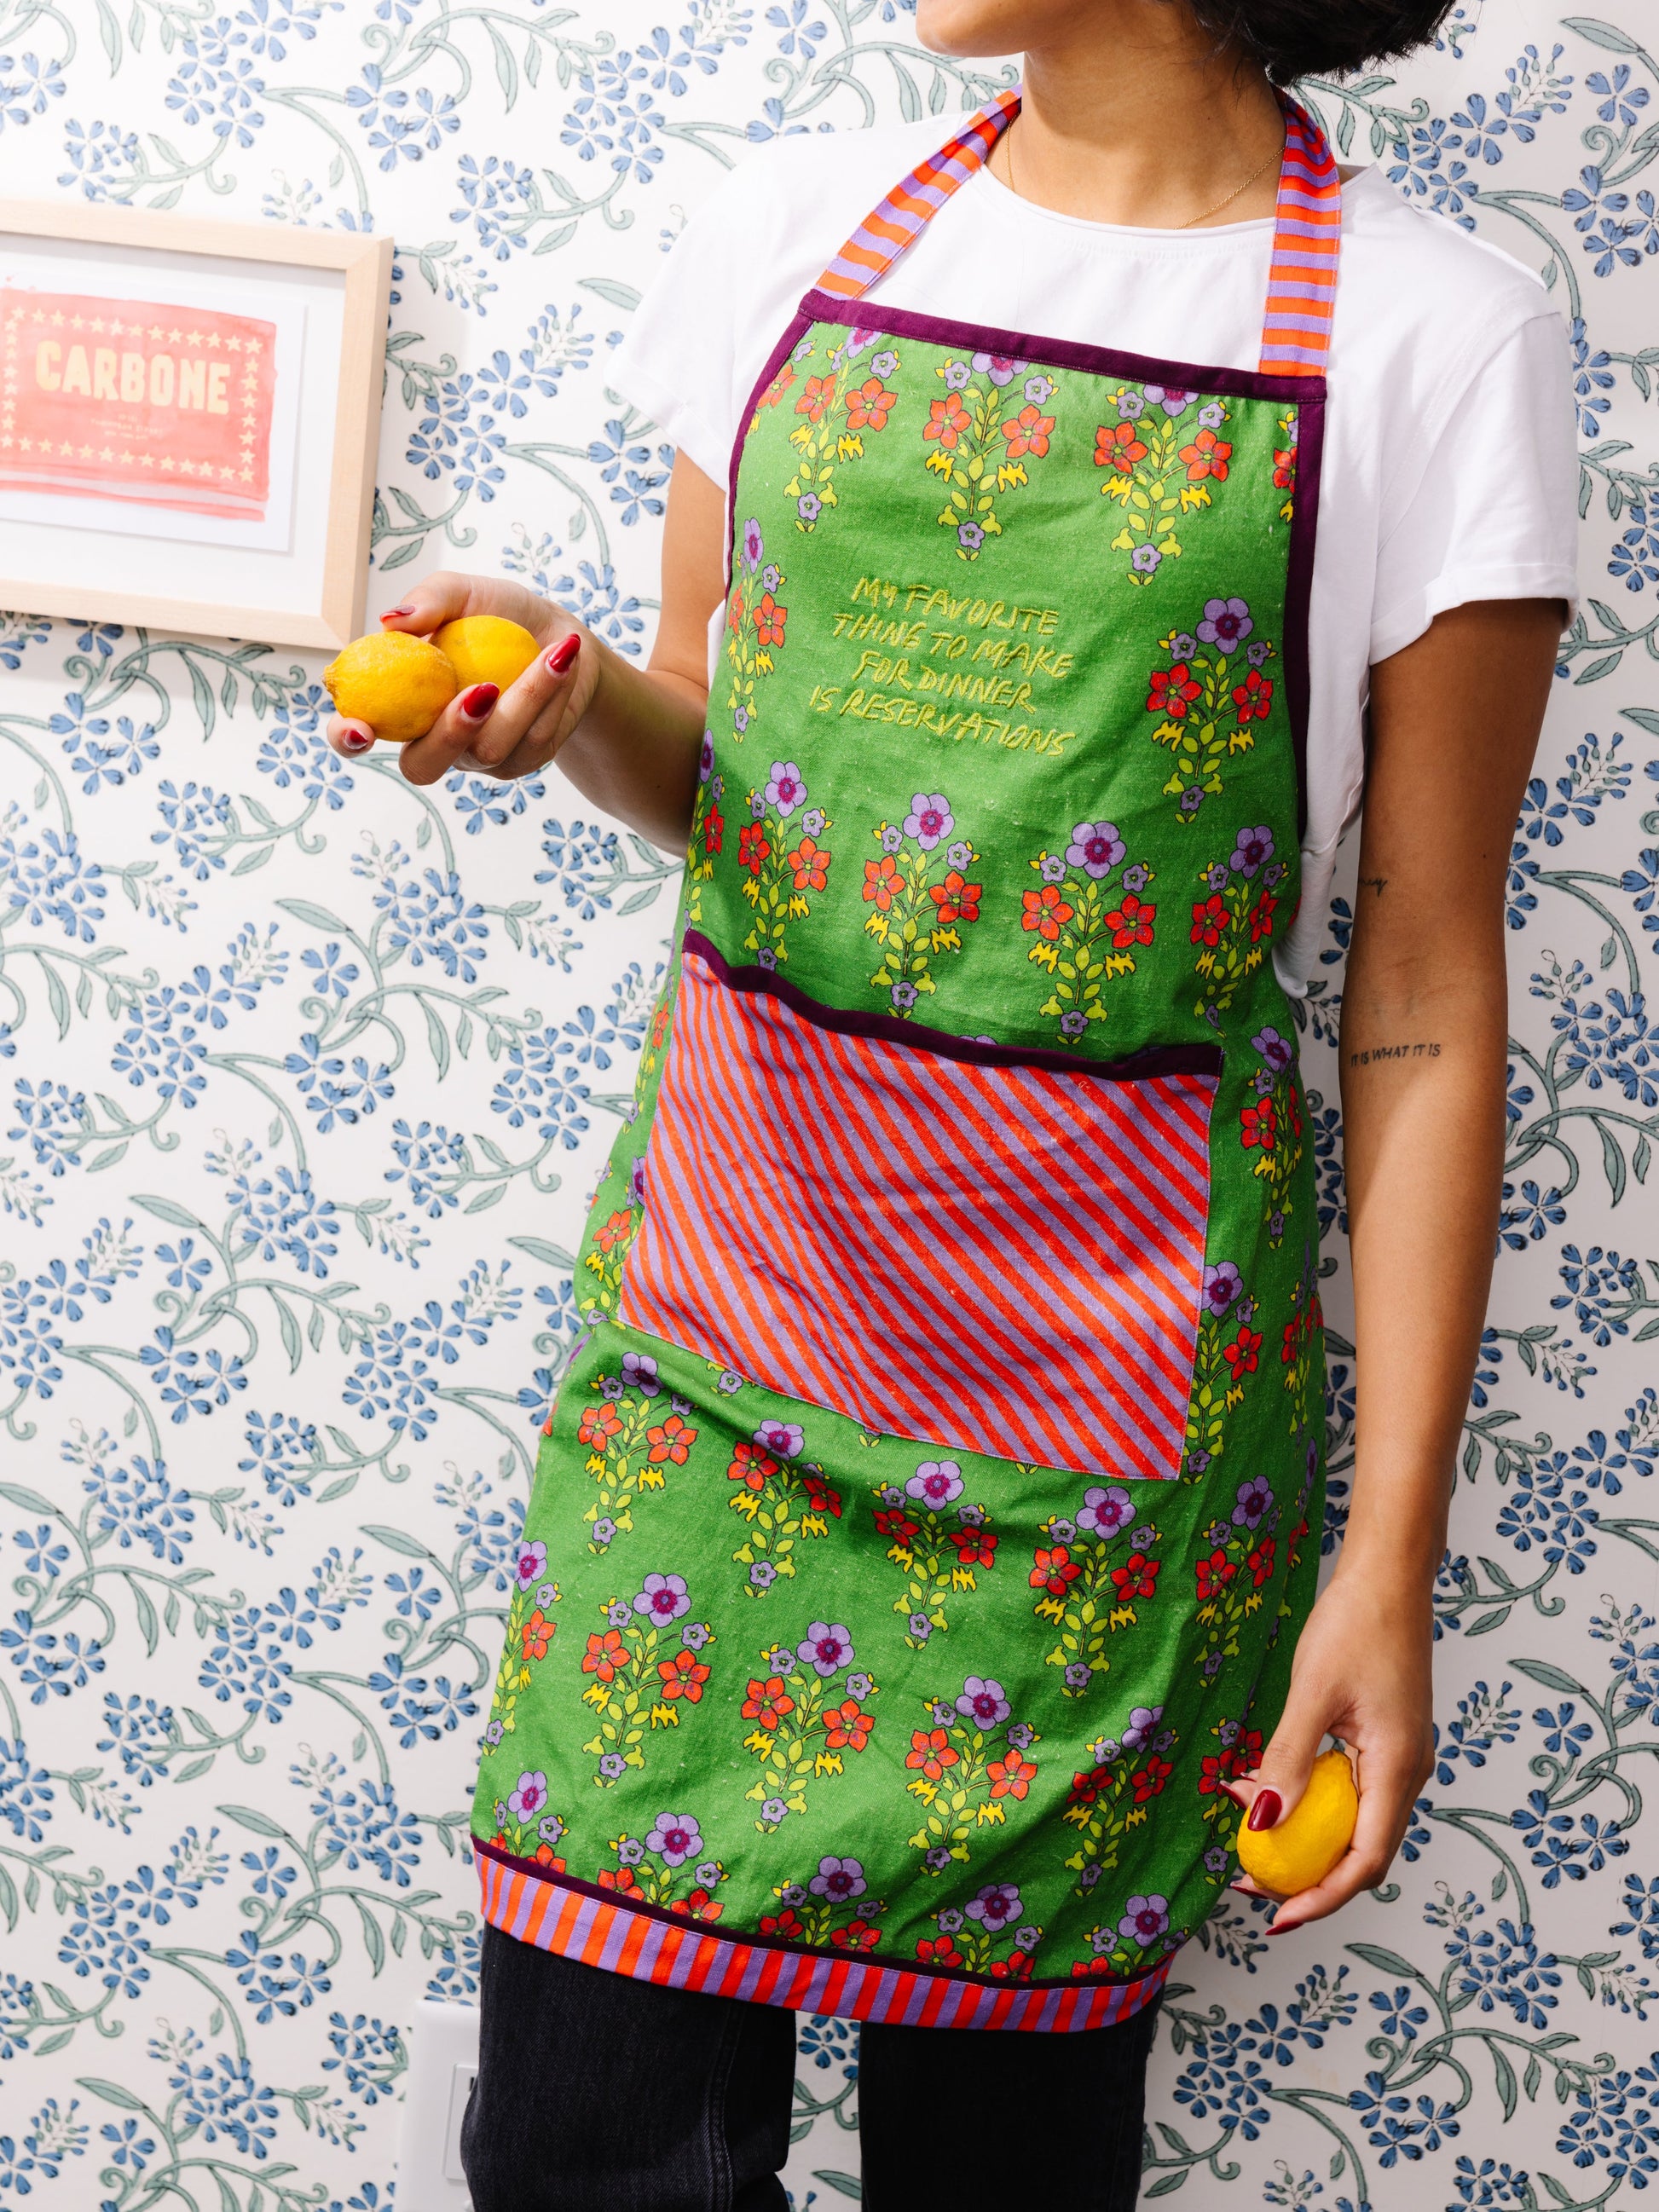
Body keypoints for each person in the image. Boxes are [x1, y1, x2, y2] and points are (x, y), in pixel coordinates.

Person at [329, 2, 1576, 2203]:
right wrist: (572, 689)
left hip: (1100, 1423)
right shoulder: (792, 229)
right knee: (580, 2155)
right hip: (718, 1343)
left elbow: (1416, 981)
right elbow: (718, 758)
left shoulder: (1437, 335)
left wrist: (1387, 1561)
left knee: (1002, 2175)